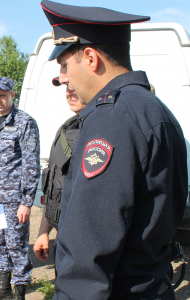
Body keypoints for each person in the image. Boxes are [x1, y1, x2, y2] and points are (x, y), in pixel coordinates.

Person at [40, 1, 188, 299]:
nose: (64, 77)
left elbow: (88, 255)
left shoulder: (109, 118)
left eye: (66, 65)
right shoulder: (156, 110)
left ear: (91, 58)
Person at [0, 77, 40, 300]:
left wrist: (26, 201)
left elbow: (31, 163)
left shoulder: (25, 122)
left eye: (3, 95)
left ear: (12, 95)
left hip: (14, 198)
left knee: (16, 244)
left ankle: (20, 291)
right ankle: (3, 287)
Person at [34, 77, 86, 263]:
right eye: (67, 88)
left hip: (89, 242)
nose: (70, 92)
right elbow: (52, 187)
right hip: (63, 237)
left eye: (75, 86)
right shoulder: (66, 128)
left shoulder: (104, 129)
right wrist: (43, 232)